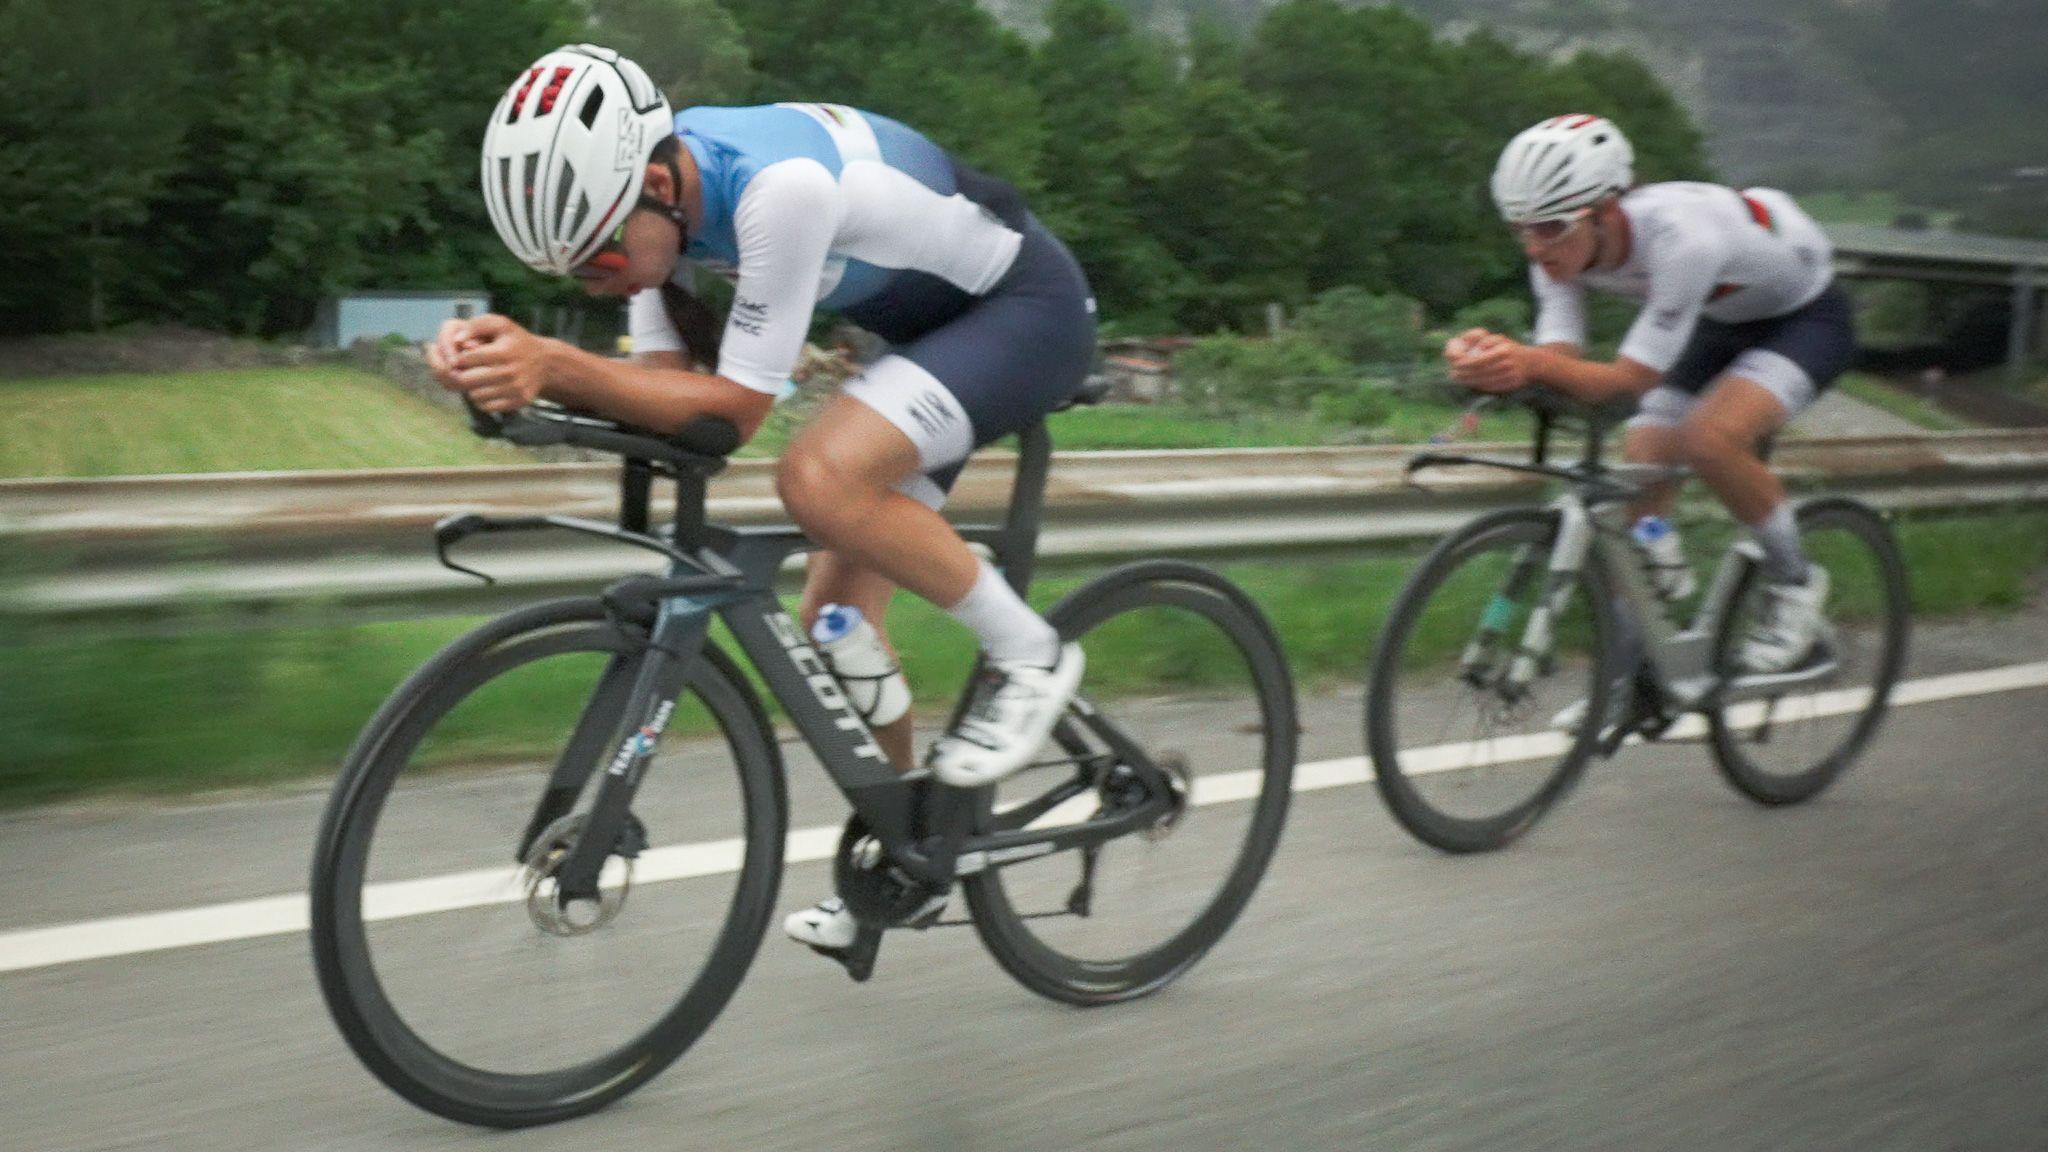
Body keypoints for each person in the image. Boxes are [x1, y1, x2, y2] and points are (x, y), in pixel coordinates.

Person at [426, 45, 1097, 953]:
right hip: (923, 336)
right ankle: (916, 854)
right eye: (580, 276)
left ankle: (1030, 652)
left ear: (659, 181)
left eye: (608, 253)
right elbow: (660, 402)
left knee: (817, 477)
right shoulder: (660, 225)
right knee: (837, 629)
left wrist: (555, 362)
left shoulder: (778, 191)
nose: (606, 280)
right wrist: (509, 379)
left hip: (1022, 313)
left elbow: (735, 414)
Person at [1446, 114, 1855, 676]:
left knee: (1711, 440)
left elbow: (1626, 381)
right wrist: (1497, 364)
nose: (1535, 247)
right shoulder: (1557, 250)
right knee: (1644, 453)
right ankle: (1646, 643)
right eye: (1521, 228)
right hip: (1720, 315)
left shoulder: (1682, 239)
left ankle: (1796, 587)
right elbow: (1561, 361)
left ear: (1607, 211)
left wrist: (1530, 362)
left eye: (1550, 228)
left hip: (1805, 317)